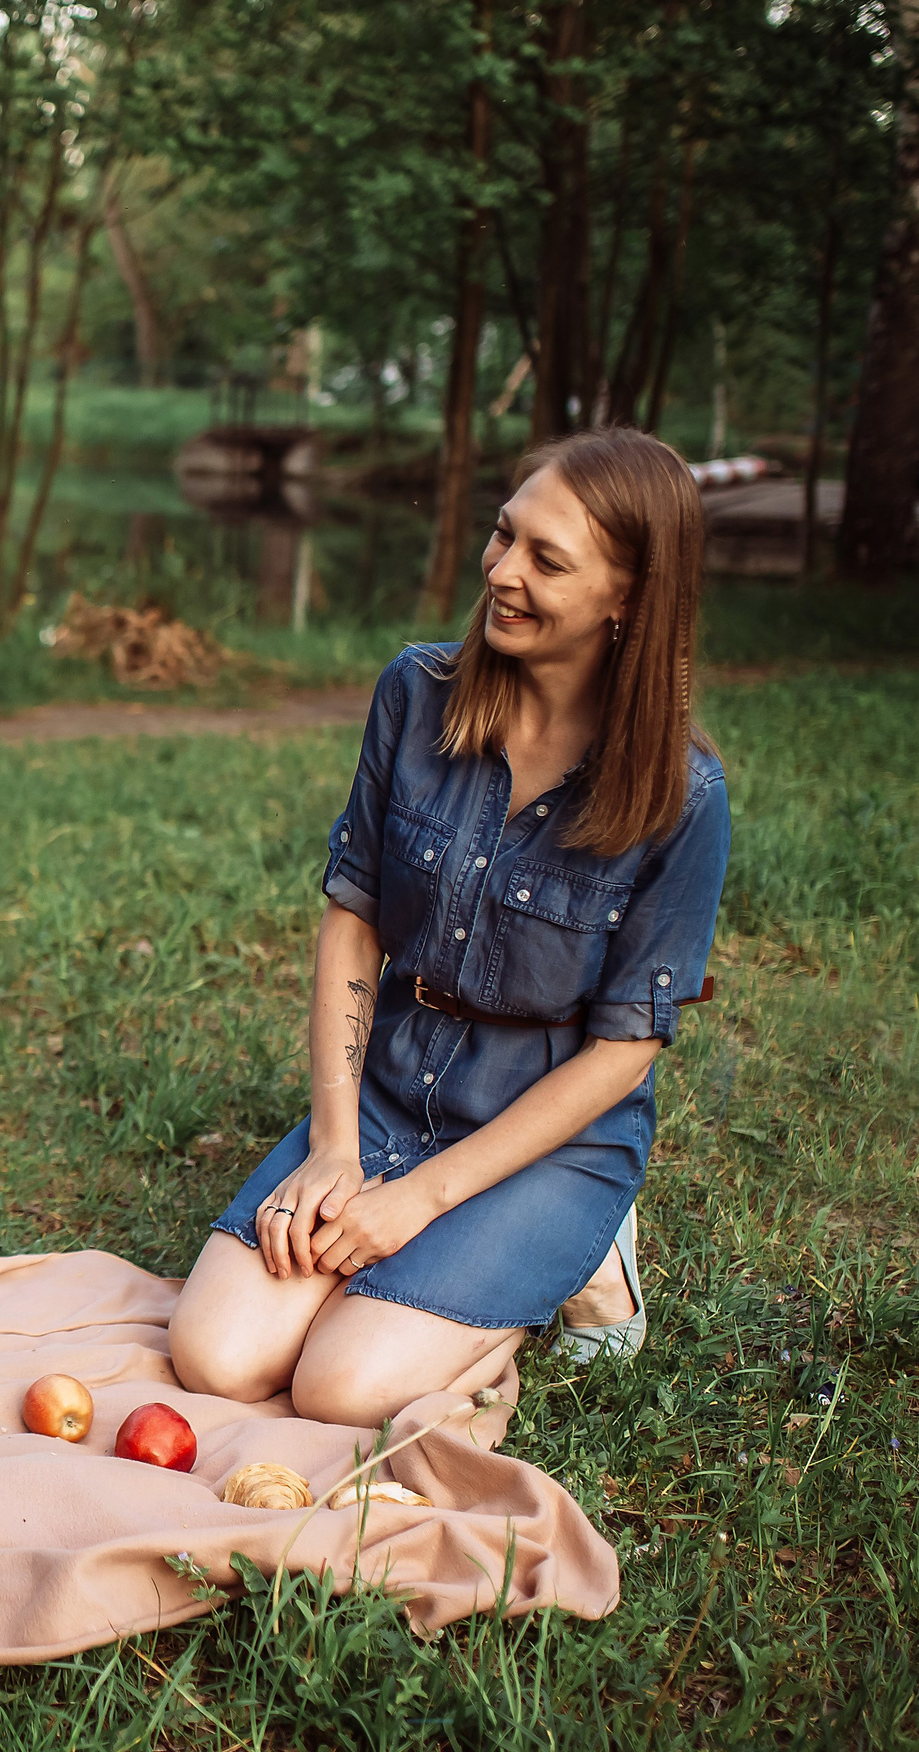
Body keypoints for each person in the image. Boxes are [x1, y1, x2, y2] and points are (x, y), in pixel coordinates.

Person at [168, 427, 731, 1429]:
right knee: (217, 1359)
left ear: (629, 597)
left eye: (547, 559)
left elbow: (625, 1050)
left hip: (551, 1136)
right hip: (390, 1092)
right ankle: (427, 1274)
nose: (502, 572)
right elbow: (353, 919)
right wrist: (334, 1147)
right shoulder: (416, 693)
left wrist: (417, 1202)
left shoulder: (680, 796)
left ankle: (582, 1257)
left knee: (341, 1388)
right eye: (505, 535)